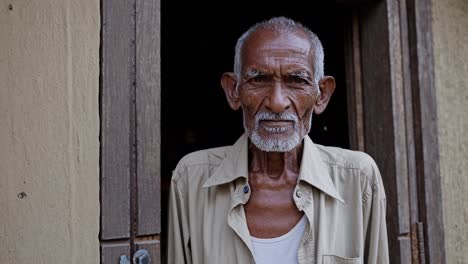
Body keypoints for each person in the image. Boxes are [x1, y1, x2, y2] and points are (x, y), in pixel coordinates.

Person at [167, 16, 389, 264]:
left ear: (321, 95)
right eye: (258, 79)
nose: (277, 102)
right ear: (234, 91)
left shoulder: (358, 178)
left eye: (297, 81)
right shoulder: (192, 180)